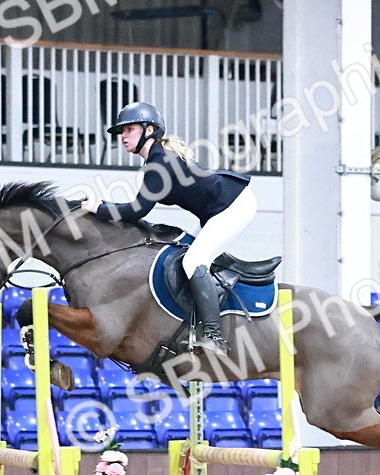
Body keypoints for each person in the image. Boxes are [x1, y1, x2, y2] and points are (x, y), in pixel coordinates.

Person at [81, 101, 255, 355]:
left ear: (149, 129)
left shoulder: (158, 163)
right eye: (122, 132)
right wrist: (103, 206)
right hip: (218, 209)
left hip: (234, 204)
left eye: (129, 129)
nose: (123, 136)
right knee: (184, 252)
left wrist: (99, 208)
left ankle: (214, 336)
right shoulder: (155, 159)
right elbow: (135, 207)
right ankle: (193, 323)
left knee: (194, 260)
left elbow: (137, 210)